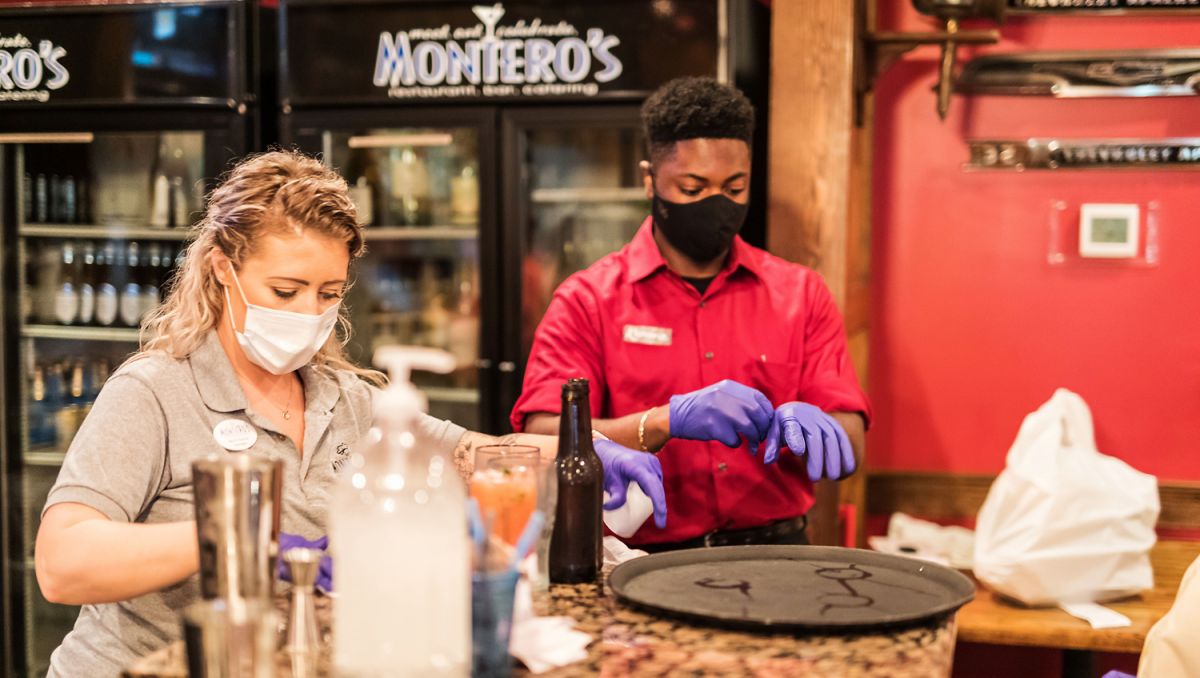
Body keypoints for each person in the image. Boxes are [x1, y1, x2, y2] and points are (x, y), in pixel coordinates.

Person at [34, 150, 664, 678]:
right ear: (223, 270)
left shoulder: (346, 397)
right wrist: (246, 538)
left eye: (329, 294)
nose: (309, 312)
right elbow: (62, 564)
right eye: (285, 291)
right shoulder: (155, 392)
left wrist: (589, 449)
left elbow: (475, 453)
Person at [512, 77, 870, 551]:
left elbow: (851, 442)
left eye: (734, 187)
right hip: (642, 557)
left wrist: (822, 431)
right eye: (693, 187)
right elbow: (541, 436)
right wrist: (661, 422)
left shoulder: (801, 294)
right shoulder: (587, 300)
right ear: (649, 180)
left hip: (777, 553)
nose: (716, 203)